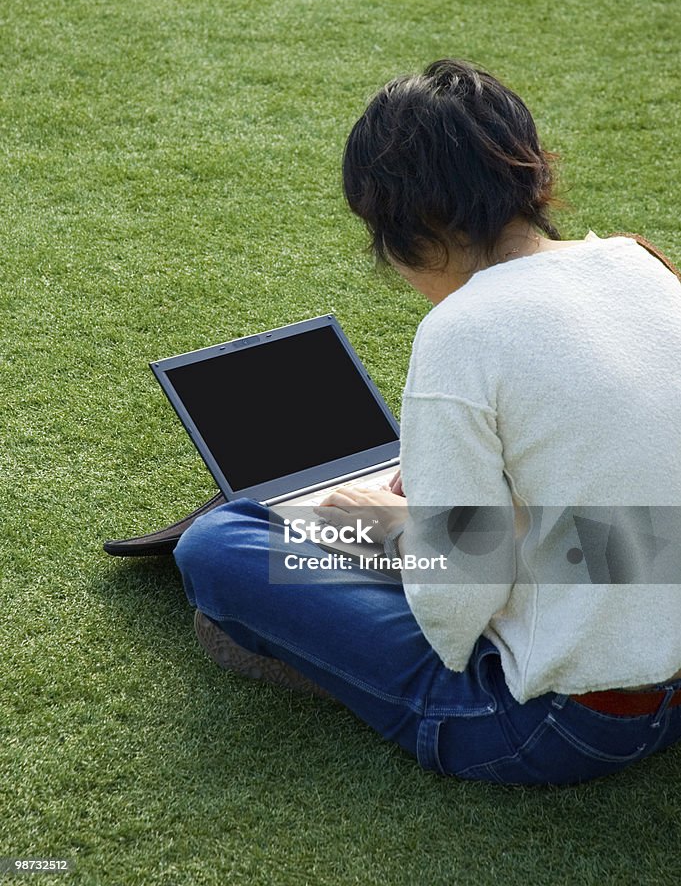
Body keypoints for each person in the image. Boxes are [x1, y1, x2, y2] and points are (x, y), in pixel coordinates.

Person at [173, 59, 681, 785]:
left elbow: (453, 608)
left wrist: (396, 529)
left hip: (557, 726)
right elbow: (643, 531)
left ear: (401, 226)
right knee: (395, 512)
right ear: (531, 176)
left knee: (221, 545)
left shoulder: (462, 329)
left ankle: (322, 640)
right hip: (654, 646)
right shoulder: (638, 265)